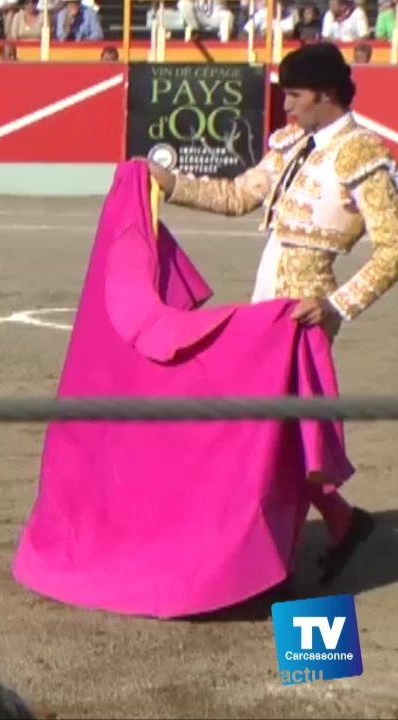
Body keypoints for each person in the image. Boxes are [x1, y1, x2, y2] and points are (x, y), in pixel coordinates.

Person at [142, 42, 398, 585]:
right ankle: (337, 524)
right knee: (276, 433)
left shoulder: (360, 153)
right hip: (268, 306)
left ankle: (266, 550)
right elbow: (238, 196)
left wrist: (336, 305)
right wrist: (171, 185)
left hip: (304, 314)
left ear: (326, 96)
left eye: (296, 96)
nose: (285, 107)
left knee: (270, 432)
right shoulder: (289, 143)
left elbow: (395, 247)